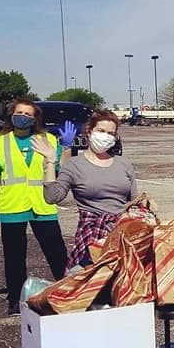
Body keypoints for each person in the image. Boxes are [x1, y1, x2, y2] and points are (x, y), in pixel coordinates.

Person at [36, 109, 138, 270]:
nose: (105, 136)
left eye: (111, 133)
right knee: (93, 285)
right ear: (89, 132)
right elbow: (52, 197)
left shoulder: (123, 164)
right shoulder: (74, 165)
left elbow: (134, 202)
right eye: (101, 131)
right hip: (92, 234)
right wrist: (49, 161)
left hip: (122, 233)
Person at [0, 99, 70, 314]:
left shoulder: (47, 139)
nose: (23, 116)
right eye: (19, 112)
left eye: (28, 114)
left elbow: (60, 170)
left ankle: (68, 294)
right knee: (14, 257)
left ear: (35, 118)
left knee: (57, 254)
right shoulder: (0, 143)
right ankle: (15, 301)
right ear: (11, 115)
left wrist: (65, 147)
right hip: (12, 205)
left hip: (43, 205)